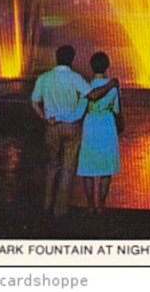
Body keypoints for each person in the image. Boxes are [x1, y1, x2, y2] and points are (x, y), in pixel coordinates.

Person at [31, 45, 118, 217]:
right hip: (71, 128)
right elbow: (92, 96)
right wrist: (111, 84)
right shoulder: (75, 78)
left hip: (52, 126)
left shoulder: (44, 78)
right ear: (71, 60)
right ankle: (61, 209)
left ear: (56, 58)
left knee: (51, 166)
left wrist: (44, 117)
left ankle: (47, 205)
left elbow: (34, 102)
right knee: (68, 168)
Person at [77, 51, 121, 214]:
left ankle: (89, 205)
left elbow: (80, 110)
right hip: (107, 125)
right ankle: (101, 205)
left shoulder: (86, 87)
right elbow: (116, 109)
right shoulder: (113, 87)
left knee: (87, 169)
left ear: (91, 66)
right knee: (105, 169)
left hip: (90, 125)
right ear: (107, 66)